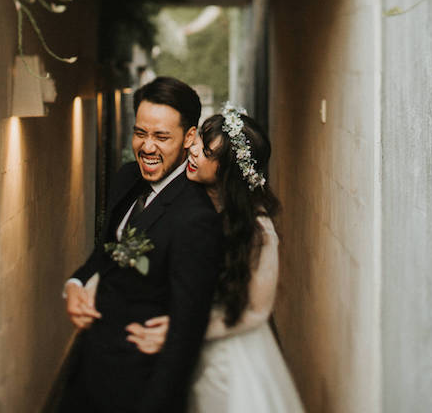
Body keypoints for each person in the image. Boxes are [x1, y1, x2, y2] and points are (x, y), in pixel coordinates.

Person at [125, 104, 305, 412]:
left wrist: (183, 329)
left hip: (228, 354)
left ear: (229, 169)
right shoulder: (193, 204)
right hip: (184, 348)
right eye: (198, 143)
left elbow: (256, 312)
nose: (194, 152)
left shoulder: (258, 231)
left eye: (208, 153)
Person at [60, 76, 223, 413]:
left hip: (137, 388)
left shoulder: (196, 217)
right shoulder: (126, 177)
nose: (148, 147)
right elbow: (107, 252)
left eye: (162, 137)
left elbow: (183, 341)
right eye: (140, 133)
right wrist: (76, 283)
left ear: (189, 137)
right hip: (88, 371)